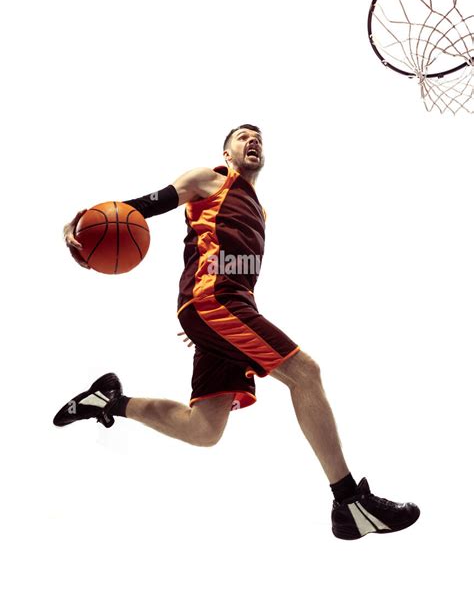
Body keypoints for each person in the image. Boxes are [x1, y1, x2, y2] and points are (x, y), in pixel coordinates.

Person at [55, 124, 420, 540]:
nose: (253, 140)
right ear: (226, 152)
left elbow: (227, 260)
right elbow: (136, 210)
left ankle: (111, 401)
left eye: (258, 137)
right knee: (306, 372)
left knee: (204, 430)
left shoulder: (259, 210)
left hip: (224, 310)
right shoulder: (207, 180)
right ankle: (349, 502)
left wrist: (212, 328)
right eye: (243, 136)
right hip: (215, 301)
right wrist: (82, 223)